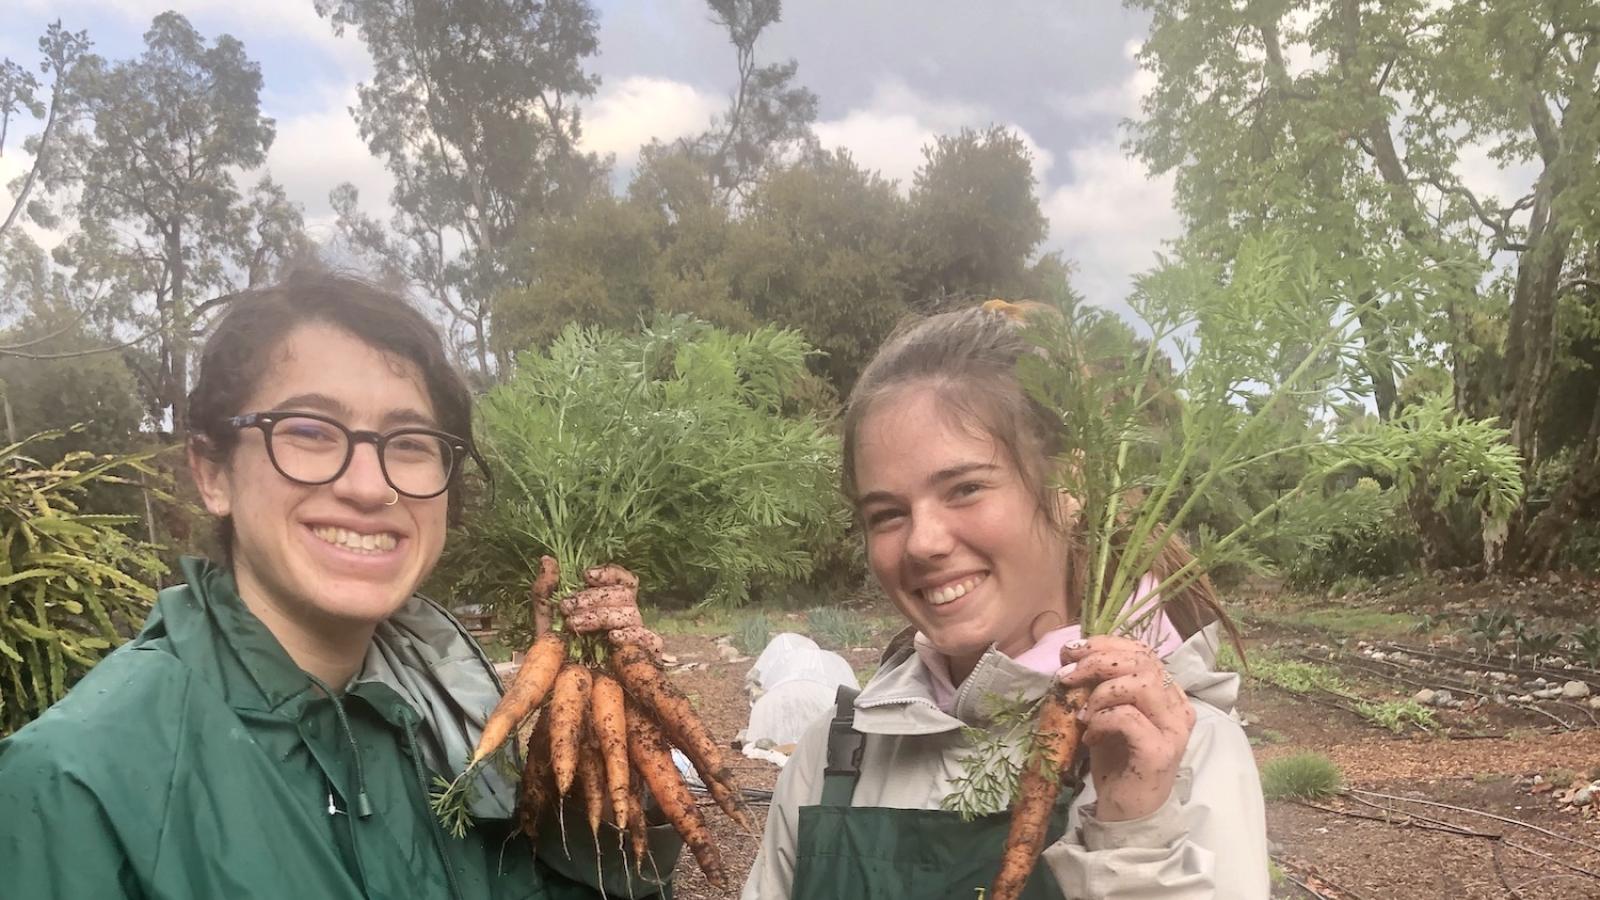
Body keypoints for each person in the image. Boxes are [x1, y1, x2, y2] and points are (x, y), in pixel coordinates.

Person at [0, 271, 676, 899]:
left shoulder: (451, 712)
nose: (369, 486)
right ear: (213, 473)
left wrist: (607, 767)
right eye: (310, 431)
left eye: (409, 441)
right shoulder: (75, 783)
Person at [742, 304, 1269, 899]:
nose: (923, 542)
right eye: (886, 514)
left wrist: (1134, 831)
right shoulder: (835, 754)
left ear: (1070, 490)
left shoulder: (1182, 752)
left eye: (965, 489)